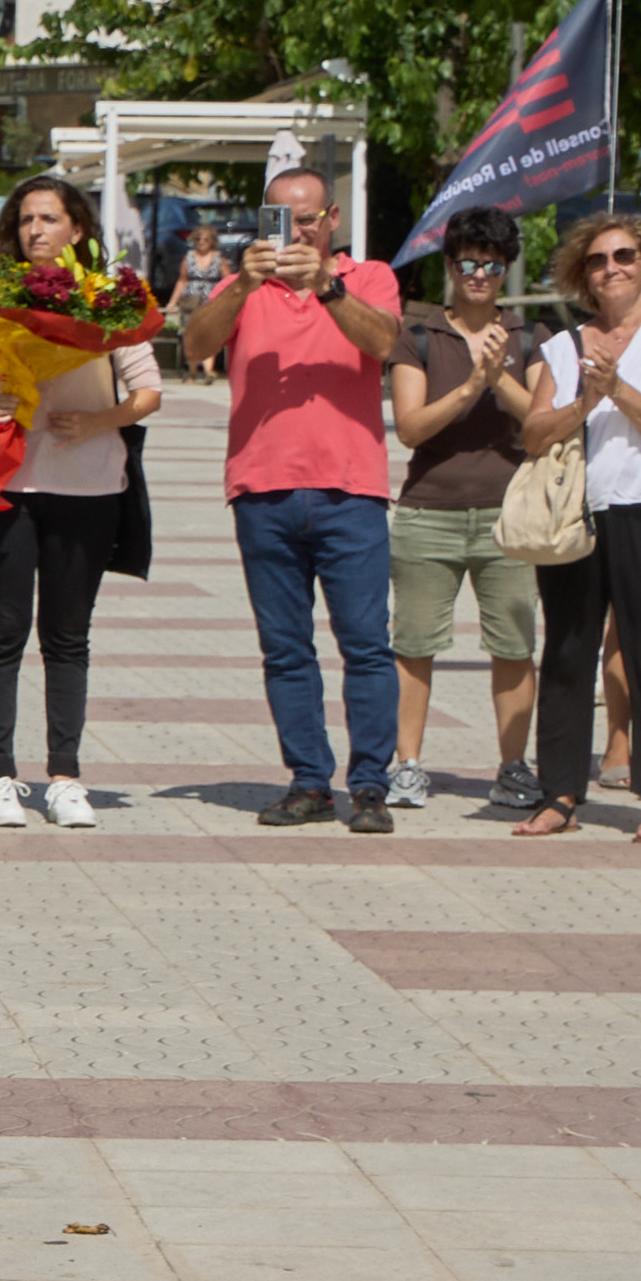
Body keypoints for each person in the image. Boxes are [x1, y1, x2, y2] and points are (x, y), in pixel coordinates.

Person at [177, 163, 402, 830]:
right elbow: (194, 346)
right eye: (282, 218)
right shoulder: (242, 285)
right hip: (263, 490)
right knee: (285, 648)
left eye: (308, 217)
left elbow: (385, 342)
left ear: (333, 220)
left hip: (350, 490)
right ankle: (309, 781)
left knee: (365, 645)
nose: (297, 230)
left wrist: (328, 289)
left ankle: (370, 787)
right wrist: (244, 284)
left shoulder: (368, 278)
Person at [0, 172, 153, 828]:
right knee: (2, 634)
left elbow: (147, 391)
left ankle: (65, 777)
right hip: (9, 489)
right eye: (26, 221)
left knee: (68, 637)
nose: (36, 230)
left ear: (77, 229)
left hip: (90, 489)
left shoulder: (107, 299)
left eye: (48, 219)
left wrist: (100, 422)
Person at [513, 212, 641, 842]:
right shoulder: (561, 346)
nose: (611, 268)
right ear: (583, 276)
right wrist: (584, 402)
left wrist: (617, 390)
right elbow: (534, 434)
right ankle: (560, 792)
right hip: (578, 514)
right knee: (568, 653)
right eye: (597, 260)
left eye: (624, 256)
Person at [385, 207, 541, 810]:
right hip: (429, 511)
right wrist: (474, 383)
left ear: (505, 270)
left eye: (493, 264)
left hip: (510, 515)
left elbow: (541, 420)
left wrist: (500, 377)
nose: (480, 274)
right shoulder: (419, 335)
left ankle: (513, 766)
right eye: (469, 262)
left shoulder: (530, 337)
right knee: (415, 642)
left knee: (513, 645)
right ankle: (408, 765)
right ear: (451, 265)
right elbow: (411, 428)